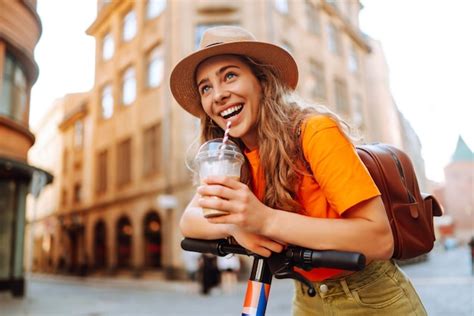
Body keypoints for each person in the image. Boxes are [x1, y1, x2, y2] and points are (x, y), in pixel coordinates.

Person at [171, 25, 426, 315]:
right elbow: (189, 220)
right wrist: (236, 226)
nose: (217, 95)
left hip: (371, 297)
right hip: (307, 298)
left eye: (230, 75)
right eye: (206, 87)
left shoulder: (314, 131)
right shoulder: (231, 155)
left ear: (263, 81)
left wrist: (264, 219)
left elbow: (378, 238)